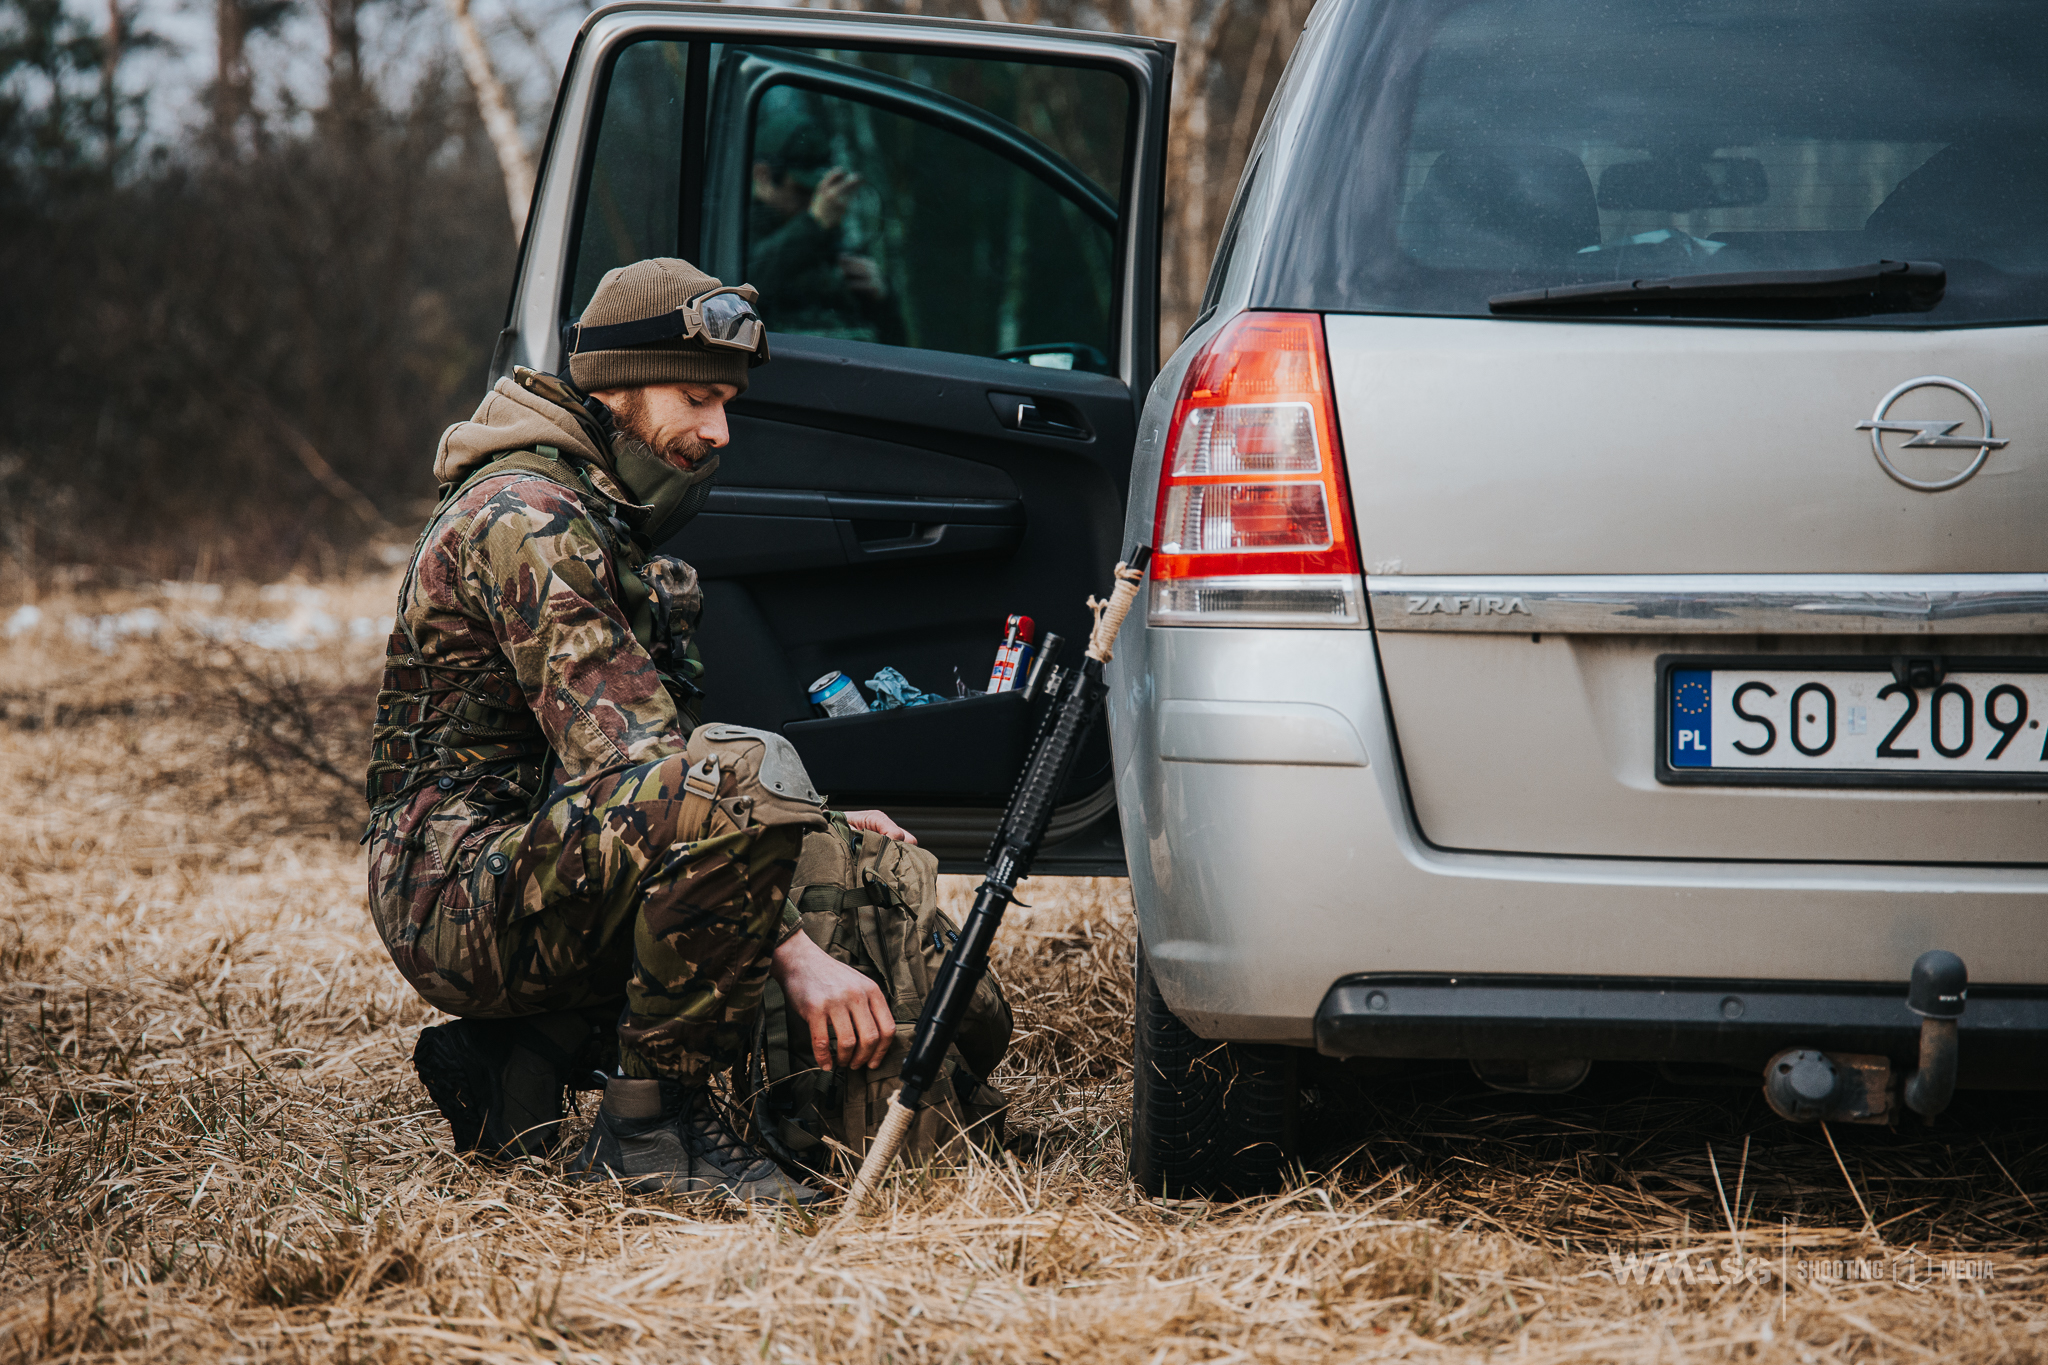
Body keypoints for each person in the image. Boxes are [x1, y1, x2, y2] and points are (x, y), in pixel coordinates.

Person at [363, 257, 906, 1203]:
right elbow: (654, 773)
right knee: (732, 794)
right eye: (698, 396)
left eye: (728, 402)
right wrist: (798, 950)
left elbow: (649, 775)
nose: (719, 429)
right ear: (616, 382)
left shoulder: (594, 504)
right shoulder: (530, 519)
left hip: (527, 854)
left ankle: (518, 1059)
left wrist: (810, 822)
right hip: (452, 889)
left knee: (773, 813)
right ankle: (653, 1131)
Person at [747, 108, 900, 344]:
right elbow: (740, 288)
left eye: (817, 191)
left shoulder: (832, 243)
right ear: (763, 176)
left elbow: (894, 351)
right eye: (801, 190)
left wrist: (882, 299)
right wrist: (814, 223)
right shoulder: (730, 230)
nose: (814, 202)